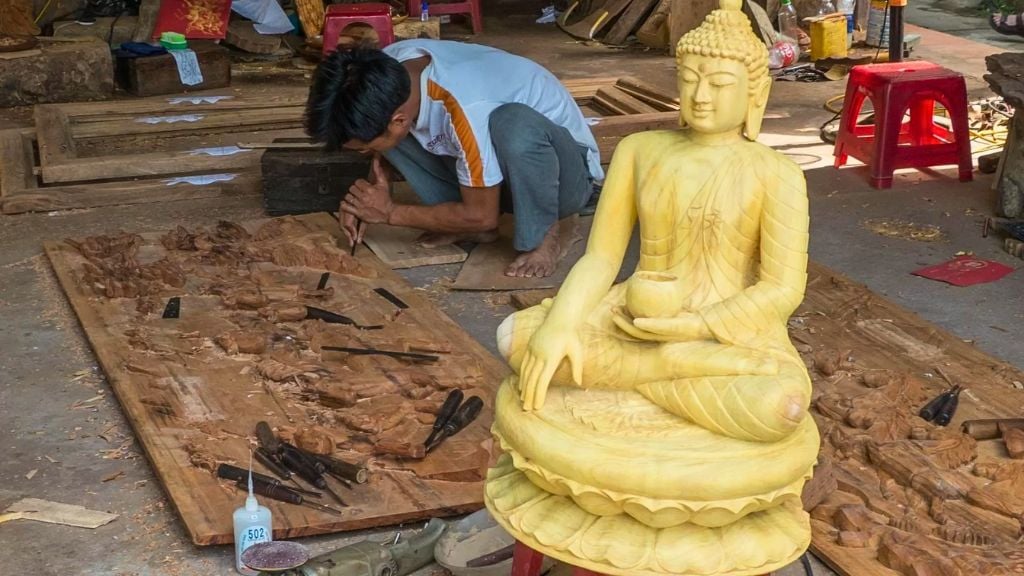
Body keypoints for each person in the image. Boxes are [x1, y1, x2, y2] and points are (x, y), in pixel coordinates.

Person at [304, 39, 604, 278]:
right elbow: (381, 138)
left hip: (564, 177)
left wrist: (389, 212)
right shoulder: (385, 71)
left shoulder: (464, 108)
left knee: (514, 125)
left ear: (398, 119)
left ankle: (543, 233)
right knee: (391, 139)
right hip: (499, 162)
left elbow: (482, 213)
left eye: (362, 148)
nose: (365, 153)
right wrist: (369, 196)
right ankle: (473, 227)